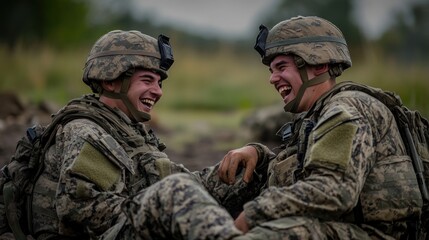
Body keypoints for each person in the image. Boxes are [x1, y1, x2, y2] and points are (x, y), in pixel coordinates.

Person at [99, 16, 424, 240]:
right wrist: (261, 155)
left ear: (319, 65)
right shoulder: (321, 114)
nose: (272, 78)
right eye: (271, 69)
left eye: (281, 67)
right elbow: (310, 172)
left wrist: (253, 215)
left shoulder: (344, 111)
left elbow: (332, 190)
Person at [0, 30, 264, 239]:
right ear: (111, 80)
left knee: (242, 176)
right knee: (175, 193)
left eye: (159, 83)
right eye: (147, 80)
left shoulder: (127, 129)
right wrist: (159, 203)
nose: (158, 91)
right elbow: (79, 211)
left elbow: (174, 180)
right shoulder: (87, 132)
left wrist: (248, 158)